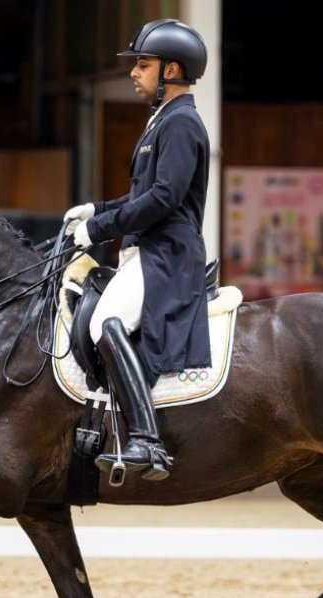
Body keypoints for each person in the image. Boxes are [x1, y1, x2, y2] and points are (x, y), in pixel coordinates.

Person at [63, 18, 211, 482]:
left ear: (171, 70)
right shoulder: (161, 122)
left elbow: (164, 199)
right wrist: (95, 209)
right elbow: (143, 194)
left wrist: (100, 229)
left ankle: (146, 439)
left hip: (166, 254)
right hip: (148, 251)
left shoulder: (182, 122)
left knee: (107, 323)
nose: (134, 73)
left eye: (143, 65)